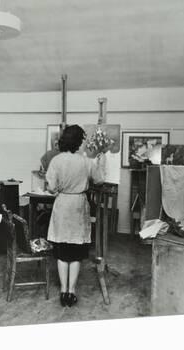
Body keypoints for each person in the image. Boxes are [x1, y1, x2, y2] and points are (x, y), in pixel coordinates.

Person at [45, 125, 105, 307]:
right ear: (79, 142)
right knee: (76, 252)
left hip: (62, 204)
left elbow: (51, 187)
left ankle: (63, 292)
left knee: (62, 252)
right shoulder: (86, 162)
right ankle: (72, 292)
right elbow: (100, 180)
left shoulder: (56, 161)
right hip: (79, 205)